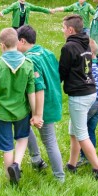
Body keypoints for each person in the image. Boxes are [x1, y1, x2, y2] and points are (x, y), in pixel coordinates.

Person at [0, 28, 41, 185]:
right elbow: (31, 92)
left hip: (2, 113)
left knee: (6, 146)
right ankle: (16, 165)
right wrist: (35, 113)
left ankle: (10, 176)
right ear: (18, 41)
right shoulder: (28, 64)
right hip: (22, 112)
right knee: (22, 138)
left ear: (1, 45)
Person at [58, 14, 98, 180]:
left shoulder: (68, 47)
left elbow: (62, 72)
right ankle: (71, 164)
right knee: (74, 131)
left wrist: (52, 85)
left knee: (82, 135)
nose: (62, 31)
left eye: (64, 28)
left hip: (79, 95)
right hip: (90, 91)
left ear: (70, 30)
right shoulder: (85, 43)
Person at [15, 25, 65, 181]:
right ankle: (36, 159)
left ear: (22, 41)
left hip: (43, 104)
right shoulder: (47, 52)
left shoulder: (30, 59)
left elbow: (39, 87)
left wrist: (38, 114)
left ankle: (59, 177)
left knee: (49, 140)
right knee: (23, 126)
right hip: (52, 99)